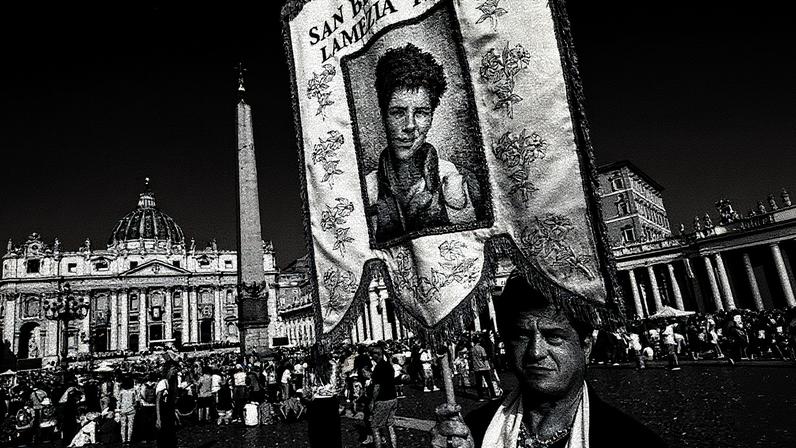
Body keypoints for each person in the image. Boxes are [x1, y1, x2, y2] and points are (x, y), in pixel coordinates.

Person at [434, 272, 667, 448]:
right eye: (523, 336)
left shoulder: (633, 441)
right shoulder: (474, 429)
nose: (535, 352)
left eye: (553, 337)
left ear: (586, 346)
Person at [366, 43, 484, 243]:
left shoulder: (463, 182)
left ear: (431, 117)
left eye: (420, 113)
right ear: (383, 116)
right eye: (398, 112)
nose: (410, 125)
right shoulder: (366, 190)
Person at [368, 344, 398, 448]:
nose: (371, 358)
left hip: (382, 399)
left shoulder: (378, 368)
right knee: (390, 424)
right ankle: (394, 446)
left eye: (372, 355)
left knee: (375, 426)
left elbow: (377, 387)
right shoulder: (389, 365)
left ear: (376, 355)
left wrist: (372, 401)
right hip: (393, 397)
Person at [155, 360, 178, 448]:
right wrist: (158, 418)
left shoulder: (170, 382)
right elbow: (157, 401)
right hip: (163, 413)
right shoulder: (163, 383)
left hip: (169, 412)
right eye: (172, 369)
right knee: (164, 438)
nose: (174, 371)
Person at [471, 336, 496, 401]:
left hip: (476, 368)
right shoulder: (481, 348)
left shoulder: (472, 349)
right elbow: (484, 358)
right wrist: (488, 366)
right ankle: (493, 395)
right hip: (484, 367)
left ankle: (481, 397)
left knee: (479, 383)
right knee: (489, 382)